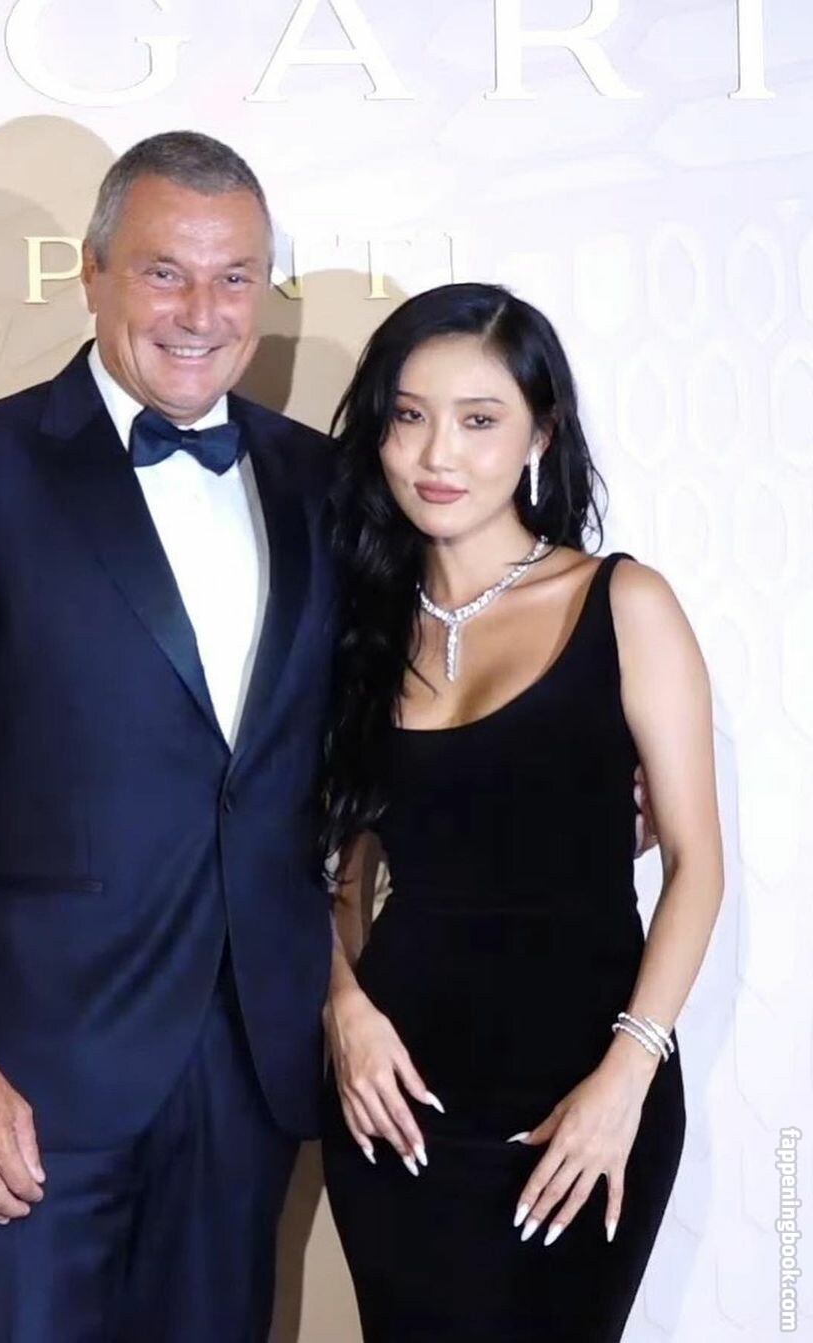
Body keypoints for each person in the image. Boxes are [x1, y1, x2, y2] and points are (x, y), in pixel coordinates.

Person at [0, 130, 336, 1342]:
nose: (202, 313)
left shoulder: (322, 481)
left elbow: (380, 717)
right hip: (30, 1071)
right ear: (94, 272)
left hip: (249, 1065)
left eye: (234, 277)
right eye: (166, 272)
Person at [320, 283, 724, 1342]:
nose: (437, 454)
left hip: (584, 1090)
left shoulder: (624, 603)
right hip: (396, 1100)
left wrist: (626, 1078)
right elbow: (331, 870)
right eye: (409, 416)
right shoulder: (354, 626)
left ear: (541, 433)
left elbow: (695, 865)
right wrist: (343, 1010)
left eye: (479, 419)